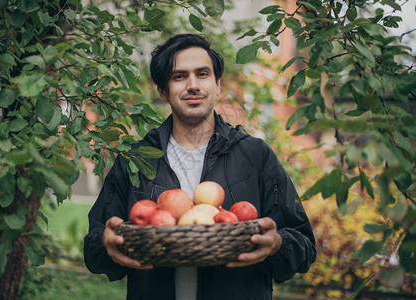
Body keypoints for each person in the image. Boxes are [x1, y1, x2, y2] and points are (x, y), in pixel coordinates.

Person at [84, 33, 317, 300]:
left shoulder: (255, 156)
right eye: (179, 76)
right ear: (162, 90)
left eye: (203, 74)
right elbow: (95, 250)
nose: (193, 85)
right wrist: (105, 244)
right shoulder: (136, 160)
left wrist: (277, 244)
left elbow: (304, 247)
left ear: (217, 84)